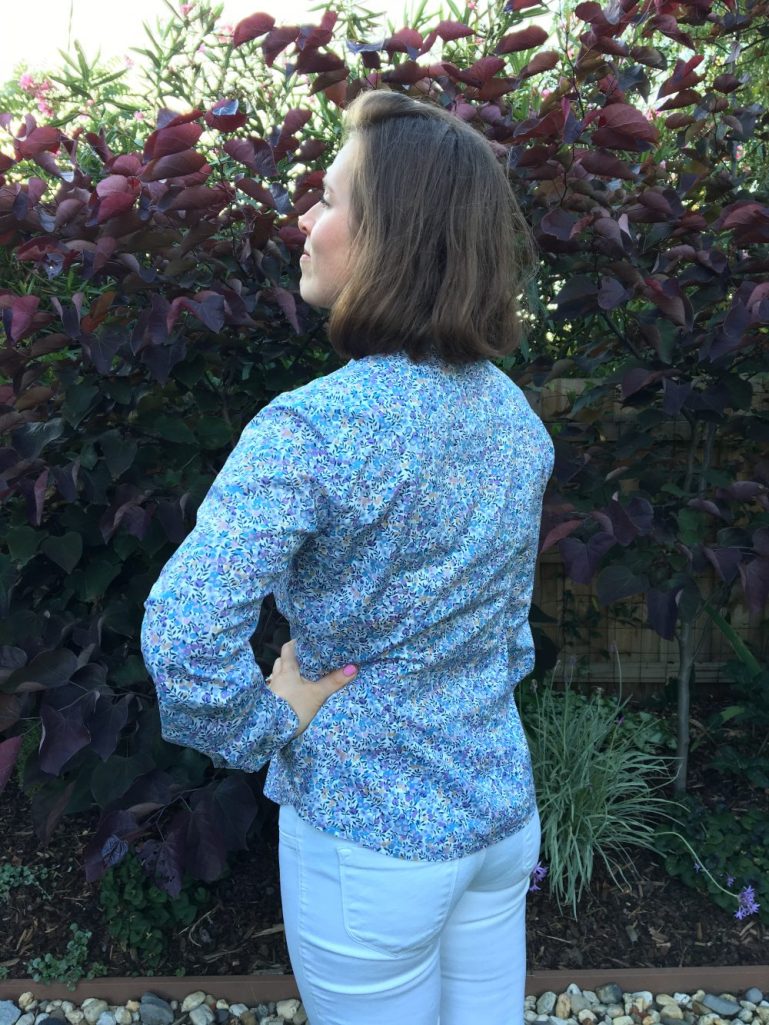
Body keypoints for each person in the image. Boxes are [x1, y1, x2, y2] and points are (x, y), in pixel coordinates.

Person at [141, 89, 554, 1025]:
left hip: (369, 835)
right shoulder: (515, 421)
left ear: (390, 240)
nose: (305, 218)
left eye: (327, 199)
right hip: (497, 814)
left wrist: (263, 722)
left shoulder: (312, 428)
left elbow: (184, 633)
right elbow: (507, 637)